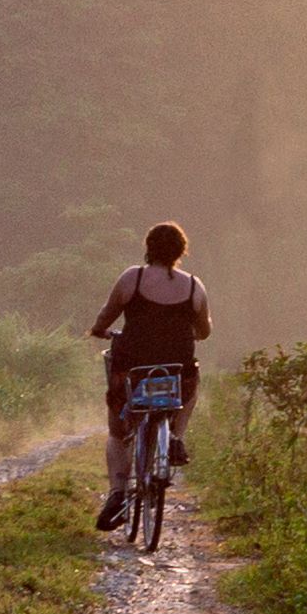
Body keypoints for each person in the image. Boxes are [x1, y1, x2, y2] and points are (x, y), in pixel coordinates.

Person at [91, 221, 210, 531]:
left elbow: (107, 314)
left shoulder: (133, 278)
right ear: (181, 251)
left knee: (118, 433)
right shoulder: (195, 286)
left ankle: (118, 494)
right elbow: (204, 331)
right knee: (192, 387)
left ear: (148, 248)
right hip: (176, 372)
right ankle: (175, 437)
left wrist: (99, 330)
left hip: (132, 369)